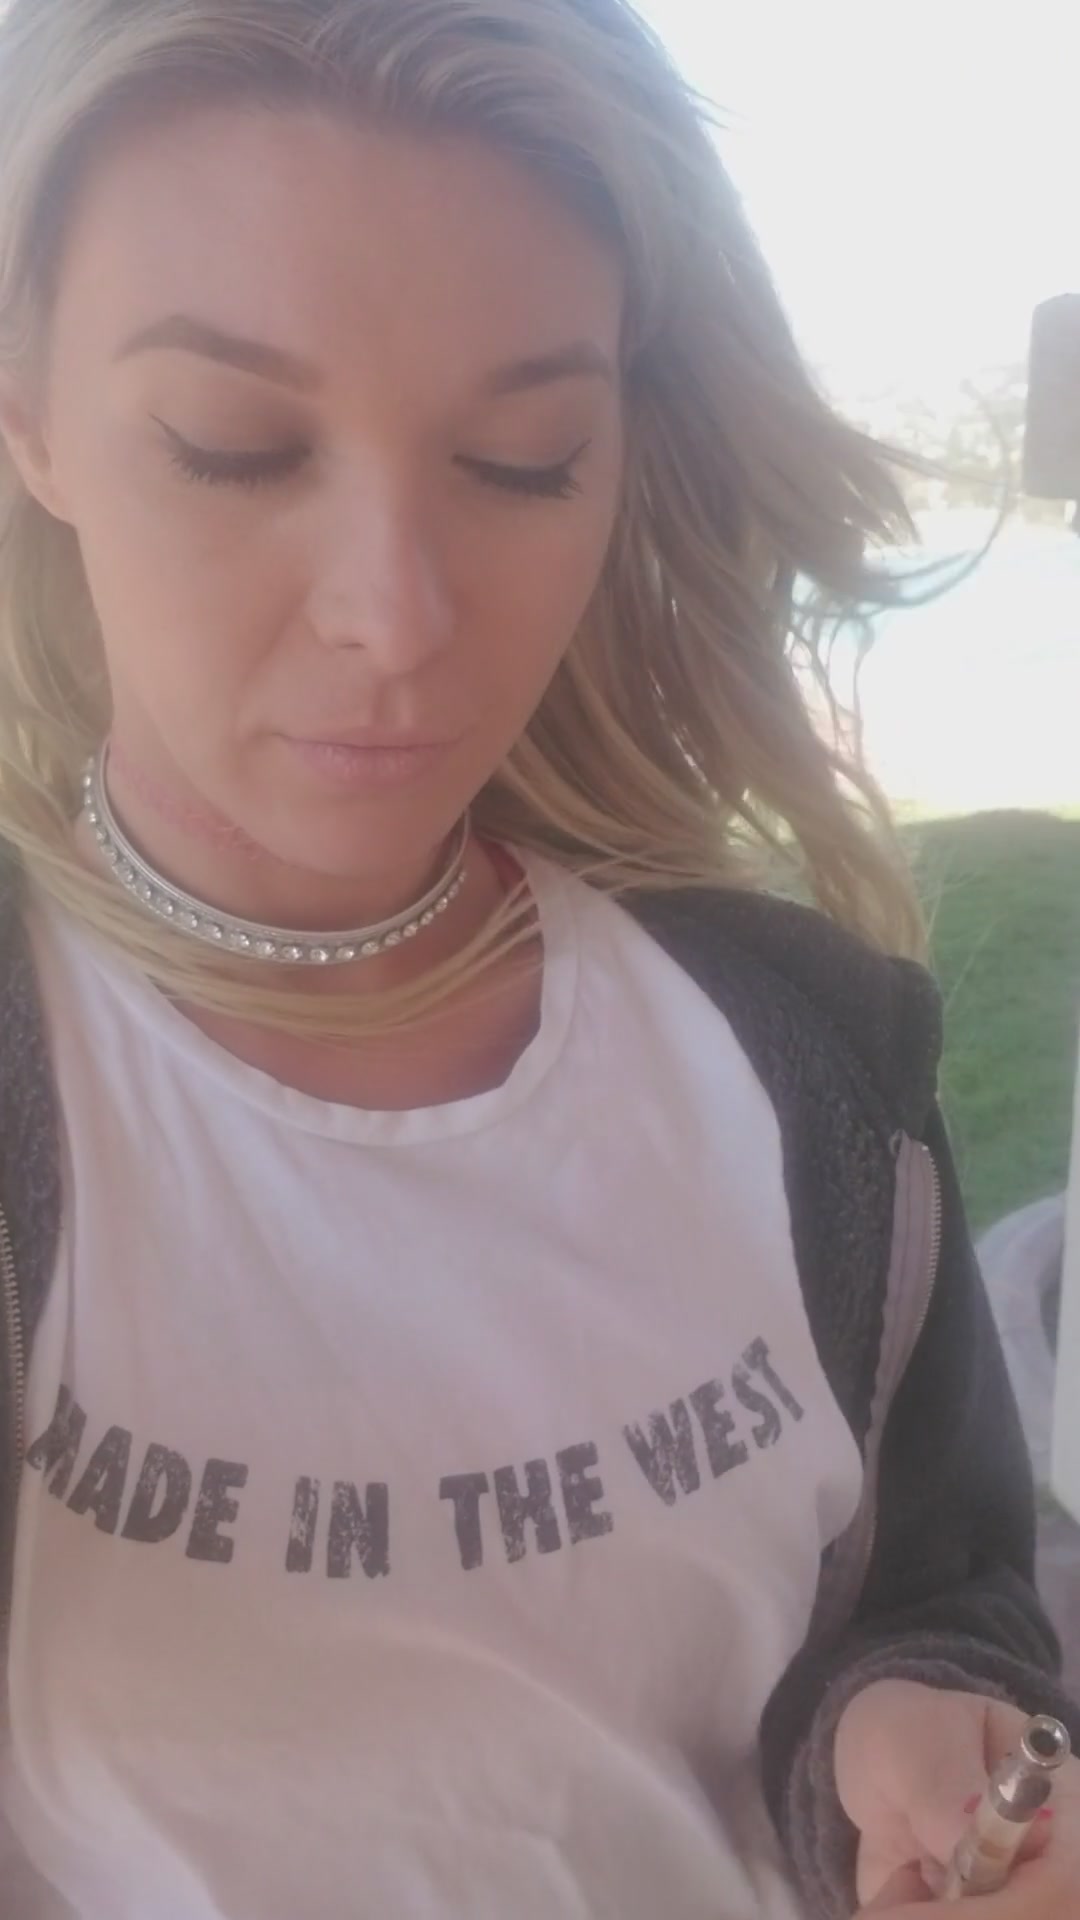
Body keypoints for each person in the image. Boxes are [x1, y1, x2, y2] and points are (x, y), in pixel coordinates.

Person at [0, 2, 1074, 1916]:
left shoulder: (808, 1063)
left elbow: (946, 1591)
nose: (397, 616)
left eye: (521, 459)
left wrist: (912, 1730)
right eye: (235, 445)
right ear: (30, 421)